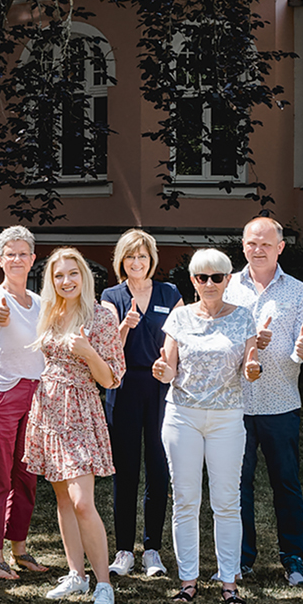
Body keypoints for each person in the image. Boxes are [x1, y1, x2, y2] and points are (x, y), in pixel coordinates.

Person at [153, 249, 262, 604]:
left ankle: (229, 583)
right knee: (185, 500)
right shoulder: (179, 317)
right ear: (193, 281)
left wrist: (252, 369)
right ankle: (188, 582)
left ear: (228, 279)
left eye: (217, 277)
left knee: (227, 503)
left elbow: (250, 362)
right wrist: (162, 371)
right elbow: (169, 367)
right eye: (202, 278)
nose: (210, 284)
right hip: (182, 415)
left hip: (227, 417)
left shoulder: (244, 317)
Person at [24, 247, 125, 604]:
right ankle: (76, 574)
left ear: (84, 276)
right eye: (58, 275)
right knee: (64, 499)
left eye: (73, 274)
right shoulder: (50, 314)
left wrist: (86, 350)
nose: (66, 281)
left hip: (81, 408)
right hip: (49, 408)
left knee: (83, 501)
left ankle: (103, 584)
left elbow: (111, 378)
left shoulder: (101, 316)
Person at [224, 216, 303, 586]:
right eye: (251, 243)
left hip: (281, 403)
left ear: (280, 247)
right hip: (235, 405)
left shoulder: (297, 292)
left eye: (266, 243)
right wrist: (247, 345)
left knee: (287, 484)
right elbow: (215, 344)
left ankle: (294, 559)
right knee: (237, 486)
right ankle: (241, 559)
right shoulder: (227, 287)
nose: (258, 249)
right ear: (243, 246)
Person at [100, 228, 182, 578]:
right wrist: (123, 326)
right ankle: (123, 551)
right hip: (123, 387)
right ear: (122, 260)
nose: (137, 262)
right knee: (126, 470)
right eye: (131, 256)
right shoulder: (110, 296)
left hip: (162, 387)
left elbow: (180, 340)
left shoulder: (170, 293)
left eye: (143, 256)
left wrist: (171, 367)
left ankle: (152, 550)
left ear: (152, 260)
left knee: (159, 468)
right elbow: (105, 350)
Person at [0, 226, 48, 580]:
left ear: (32, 259)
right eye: (11, 253)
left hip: (36, 395)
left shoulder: (39, 302)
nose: (17, 259)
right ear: (0, 259)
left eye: (24, 253)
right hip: (1, 395)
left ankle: (19, 548)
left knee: (27, 477)